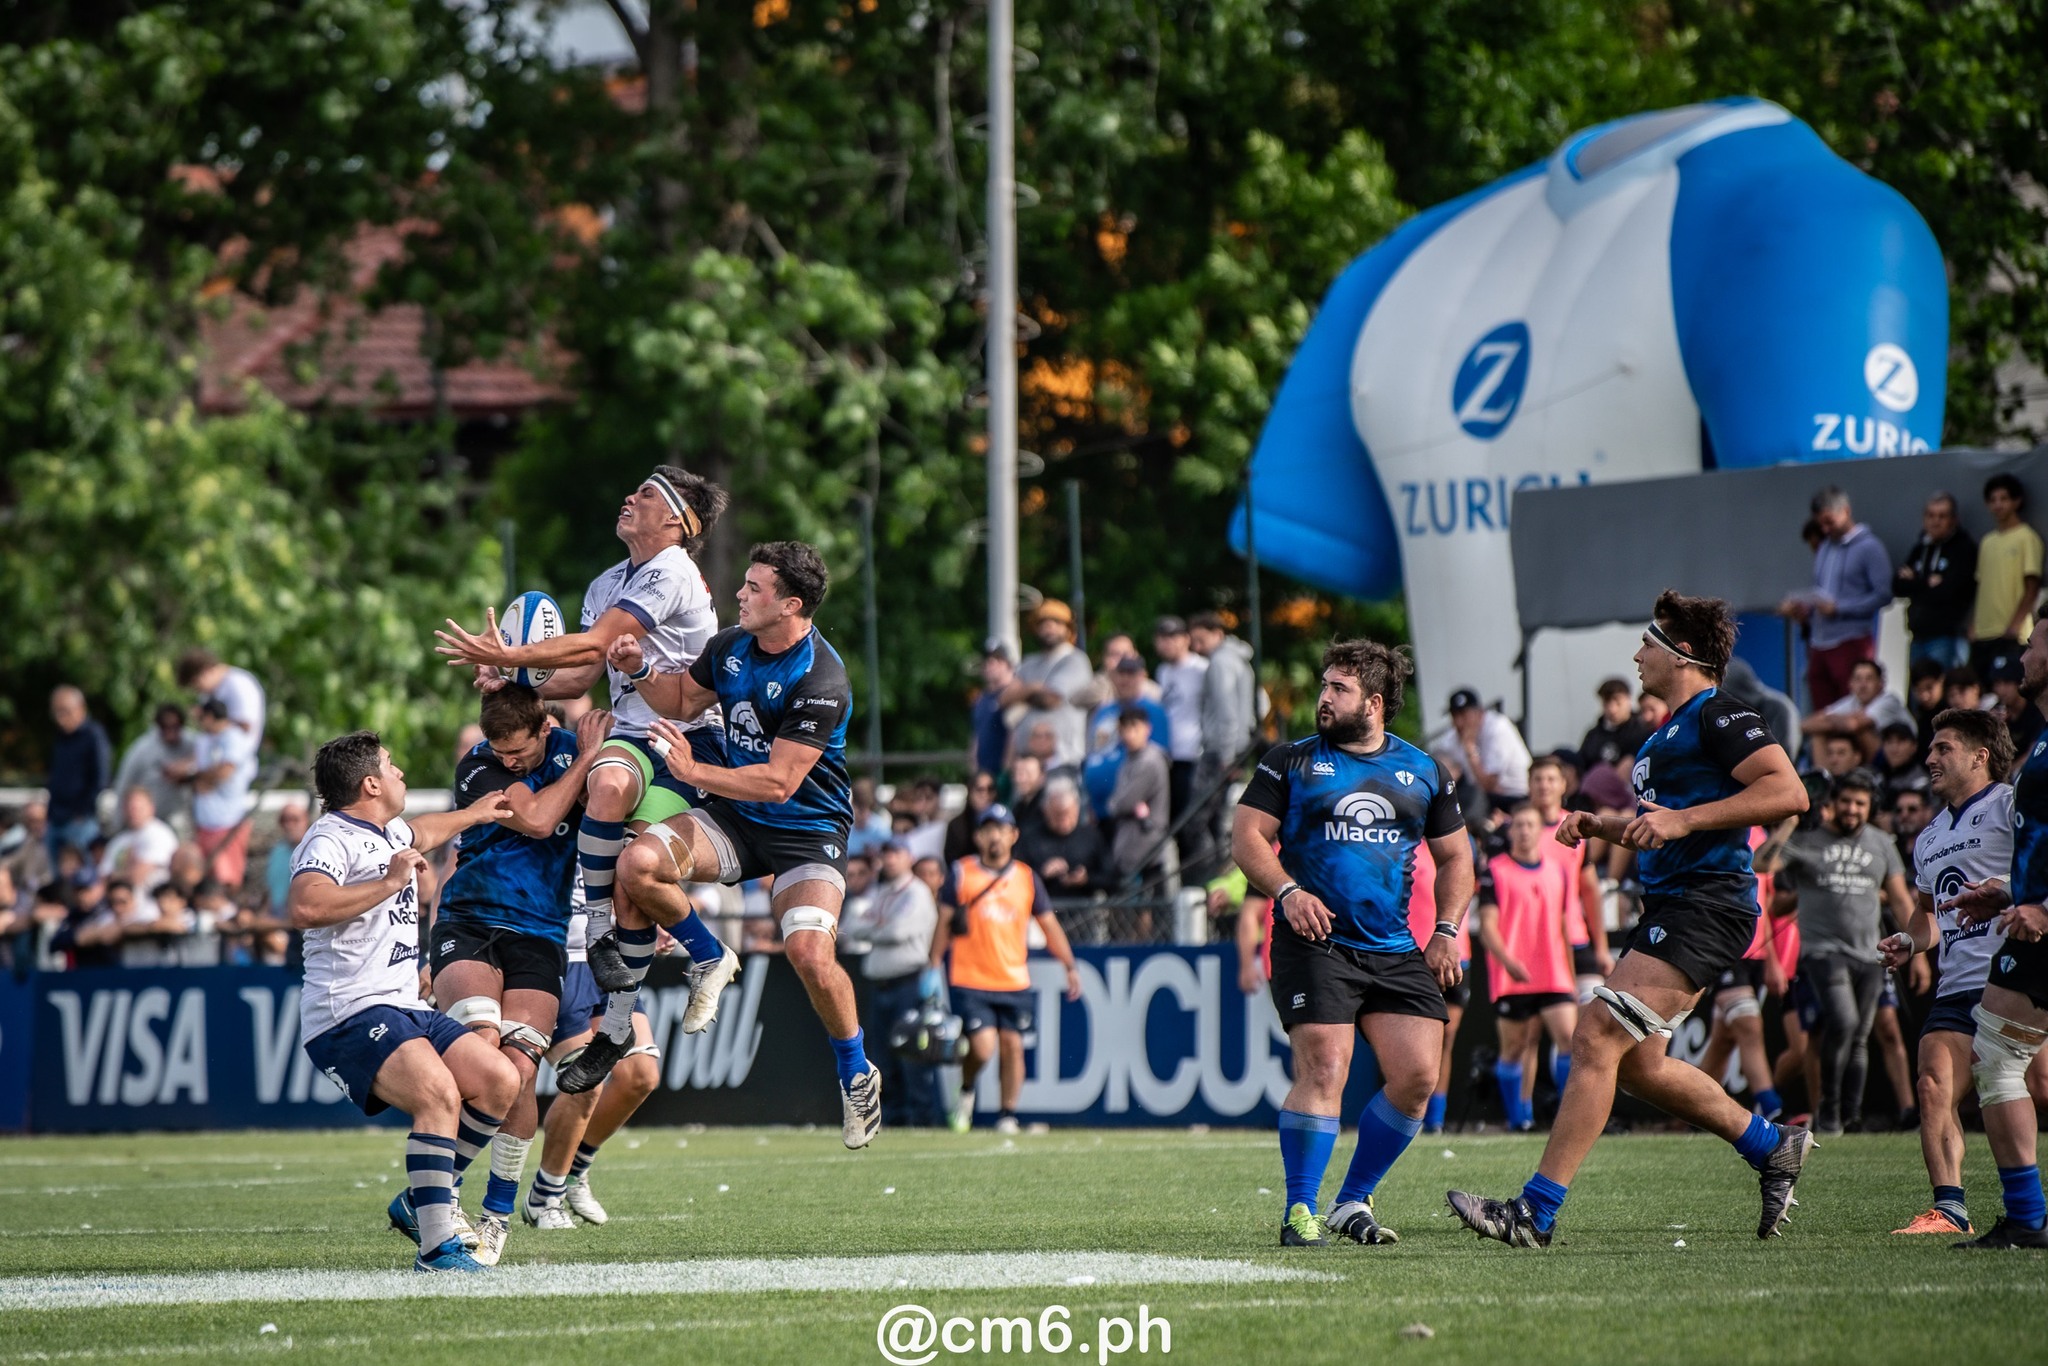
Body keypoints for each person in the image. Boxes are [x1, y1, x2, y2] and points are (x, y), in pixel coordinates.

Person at [1449, 589, 1811, 1249]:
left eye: (1648, 641)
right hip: (1676, 903)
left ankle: (1534, 1212)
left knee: (1591, 1038)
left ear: (1686, 654)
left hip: (1707, 902)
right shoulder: (1669, 729)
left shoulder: (1719, 713)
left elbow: (1789, 791)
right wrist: (1603, 826)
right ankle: (1772, 1146)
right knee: (1638, 1066)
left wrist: (1682, 819)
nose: (1638, 652)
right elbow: (1660, 828)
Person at [596, 541, 883, 1148]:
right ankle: (709, 954)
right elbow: (680, 700)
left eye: (755, 588)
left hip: (807, 833)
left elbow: (780, 784)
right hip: (738, 817)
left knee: (807, 953)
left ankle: (854, 1071)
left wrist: (695, 774)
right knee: (638, 864)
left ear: (791, 605)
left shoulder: (820, 677)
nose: (740, 595)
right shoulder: (731, 645)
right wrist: (641, 669)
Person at [435, 467, 739, 1036]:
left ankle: (653, 968)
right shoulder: (607, 583)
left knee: (630, 865)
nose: (629, 495)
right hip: (631, 735)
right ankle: (629, 1009)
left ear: (676, 520)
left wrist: (511, 657)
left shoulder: (672, 571)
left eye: (646, 493)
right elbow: (578, 679)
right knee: (614, 822)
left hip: (687, 738)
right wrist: (518, 684)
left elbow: (598, 642)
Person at [1233, 638, 1474, 1248]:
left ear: (1373, 702)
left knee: (1419, 1076)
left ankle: (1352, 1200)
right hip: (1314, 941)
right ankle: (1299, 1211)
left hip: (1394, 946)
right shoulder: (1288, 761)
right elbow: (1246, 839)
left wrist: (1446, 930)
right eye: (1323, 685)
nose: (1323, 697)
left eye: (1337, 689)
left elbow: (1457, 859)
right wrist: (1288, 893)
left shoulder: (1422, 769)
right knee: (1325, 1069)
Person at [287, 730, 520, 1273]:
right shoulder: (329, 838)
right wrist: (391, 883)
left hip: (401, 1004)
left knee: (499, 1081)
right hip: (346, 1011)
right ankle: (439, 1248)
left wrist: (477, 813)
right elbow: (305, 906)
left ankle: (422, 1198)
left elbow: (424, 831)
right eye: (391, 766)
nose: (400, 774)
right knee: (438, 1094)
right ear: (370, 783)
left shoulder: (387, 830)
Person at [427, 687, 612, 1264]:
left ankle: (497, 1215)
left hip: (540, 933)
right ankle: (440, 1194)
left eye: (519, 751)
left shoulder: (571, 746)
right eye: (499, 750)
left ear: (544, 727)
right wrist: (585, 760)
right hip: (470, 921)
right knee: (483, 1052)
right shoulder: (479, 763)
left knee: (520, 1068)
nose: (508, 761)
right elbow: (534, 819)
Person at [1879, 708, 2014, 1235]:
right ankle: (1949, 1208)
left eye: (1943, 749)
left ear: (1980, 756)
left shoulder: (2011, 805)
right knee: (1933, 1082)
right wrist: (1909, 942)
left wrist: (2005, 888)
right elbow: (1929, 915)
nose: (1930, 758)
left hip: (2016, 976)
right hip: (1957, 985)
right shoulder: (1929, 836)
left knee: (2043, 1088)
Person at [1940, 618, 2048, 1248]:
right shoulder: (2041, 742)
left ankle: (2030, 1219)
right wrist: (2008, 894)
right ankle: (2028, 1220)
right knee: (1997, 1058)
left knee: (2000, 1060)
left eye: (2033, 645)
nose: (2022, 654)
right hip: (2030, 926)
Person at [1768, 769, 1913, 1134]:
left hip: (1869, 953)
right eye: (1846, 801)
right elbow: (1761, 864)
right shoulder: (1808, 838)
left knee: (1861, 1036)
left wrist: (1919, 950)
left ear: (1870, 807)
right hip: (1822, 952)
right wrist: (1789, 823)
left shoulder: (1882, 843)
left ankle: (1850, 1117)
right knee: (1844, 1022)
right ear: (1833, 802)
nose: (1852, 809)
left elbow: (1899, 899)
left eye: (1860, 803)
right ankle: (1829, 1113)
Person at [931, 805, 1082, 1132]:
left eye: (1001, 829)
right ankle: (968, 1088)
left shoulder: (1027, 878)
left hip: (1013, 978)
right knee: (983, 1047)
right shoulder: (961, 872)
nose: (994, 836)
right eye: (988, 829)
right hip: (970, 977)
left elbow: (1049, 925)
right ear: (978, 837)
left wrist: (1069, 964)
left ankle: (1007, 1115)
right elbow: (943, 923)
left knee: (1013, 1047)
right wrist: (932, 967)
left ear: (1013, 836)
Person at [524, 892, 663, 1232]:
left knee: (640, 1076)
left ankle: (574, 1170)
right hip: (557, 957)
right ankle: (545, 1196)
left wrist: (651, 919)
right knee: (585, 1081)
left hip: (607, 957)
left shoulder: (614, 836)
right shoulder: (539, 834)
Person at [1477, 807, 1579, 1132]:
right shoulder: (1496, 870)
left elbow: (1564, 926)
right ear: (1510, 832)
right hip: (1513, 976)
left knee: (1568, 1038)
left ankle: (1568, 1119)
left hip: (1553, 971)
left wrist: (1571, 975)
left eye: (1529, 824)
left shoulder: (1557, 870)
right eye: (1518, 824)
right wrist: (1507, 961)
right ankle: (1518, 1119)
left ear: (1539, 831)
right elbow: (1488, 925)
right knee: (1515, 1048)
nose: (1523, 830)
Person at [848, 838, 945, 1128]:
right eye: (886, 854)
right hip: (882, 985)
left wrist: (875, 928)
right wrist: (879, 928)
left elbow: (899, 932)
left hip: (908, 983)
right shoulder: (882, 892)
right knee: (883, 1059)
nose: (889, 860)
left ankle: (921, 1120)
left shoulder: (916, 892)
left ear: (908, 857)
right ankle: (894, 1119)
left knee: (912, 1056)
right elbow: (852, 927)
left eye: (895, 854)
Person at [1779, 486, 1892, 710]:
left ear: (1846, 511)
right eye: (1821, 523)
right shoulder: (1824, 548)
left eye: (1829, 521)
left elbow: (1883, 595)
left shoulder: (1870, 547)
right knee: (1823, 714)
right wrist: (1805, 610)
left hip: (1851, 640)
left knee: (1851, 710)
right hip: (1819, 642)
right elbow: (1821, 591)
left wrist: (1840, 608)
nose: (1825, 528)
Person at [1526, 755, 1611, 996]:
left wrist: (1602, 948)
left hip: (1575, 937)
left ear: (1564, 784)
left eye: (1551, 779)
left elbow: (1590, 890)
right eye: (1538, 779)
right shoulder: (1515, 830)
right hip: (1531, 944)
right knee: (1531, 1032)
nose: (1544, 785)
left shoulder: (1575, 828)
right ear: (1529, 785)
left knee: (1590, 1013)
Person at [1969, 473, 2044, 680]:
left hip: (2011, 633)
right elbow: (1982, 585)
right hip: (1983, 633)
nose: (1998, 505)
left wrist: (2016, 623)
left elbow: (2032, 585)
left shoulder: (2027, 537)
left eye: (2003, 499)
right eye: (1993, 500)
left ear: (2016, 501)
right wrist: (1974, 625)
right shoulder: (1987, 542)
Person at [1003, 600, 1092, 769]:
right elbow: (1004, 698)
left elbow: (1051, 699)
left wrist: (1023, 694)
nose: (1049, 628)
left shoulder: (1075, 660)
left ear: (1068, 629)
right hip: (1025, 763)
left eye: (1057, 623)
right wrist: (1033, 688)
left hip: (1063, 759)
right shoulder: (1029, 662)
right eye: (1043, 623)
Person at [1895, 491, 1977, 669]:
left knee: (1946, 691)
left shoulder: (1963, 548)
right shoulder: (1921, 547)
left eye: (1942, 516)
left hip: (1947, 636)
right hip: (1917, 635)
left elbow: (1948, 591)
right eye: (1931, 515)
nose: (1935, 521)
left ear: (1954, 519)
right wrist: (1925, 582)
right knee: (1918, 694)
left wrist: (1915, 581)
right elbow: (1897, 585)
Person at [1153, 616, 1210, 869]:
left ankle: (1200, 879)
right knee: (1173, 824)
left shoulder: (1202, 668)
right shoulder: (1163, 672)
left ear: (1185, 639)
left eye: (1173, 637)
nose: (1167, 644)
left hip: (1195, 753)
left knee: (1192, 823)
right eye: (1162, 639)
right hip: (1168, 756)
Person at [190, 698, 258, 887]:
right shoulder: (207, 739)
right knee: (208, 879)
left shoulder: (233, 738)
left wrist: (201, 777)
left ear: (209, 717)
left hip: (228, 820)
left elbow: (225, 771)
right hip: (207, 820)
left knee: (226, 879)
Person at [1106, 707, 1172, 892]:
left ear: (1147, 728)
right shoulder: (1128, 758)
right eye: (1124, 729)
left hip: (1148, 848)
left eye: (1134, 727)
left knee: (1146, 907)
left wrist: (1115, 805)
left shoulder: (1150, 761)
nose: (1129, 734)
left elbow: (1123, 803)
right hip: (1131, 845)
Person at [44, 687, 110, 870]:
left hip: (80, 820)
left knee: (81, 875)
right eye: (56, 712)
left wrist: (82, 812)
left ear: (81, 708)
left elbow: (100, 778)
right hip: (56, 818)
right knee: (58, 879)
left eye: (65, 711)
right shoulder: (61, 738)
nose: (60, 717)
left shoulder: (93, 736)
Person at [1017, 778, 1109, 901]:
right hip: (1044, 906)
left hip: (1084, 908)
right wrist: (1042, 873)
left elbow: (1111, 877)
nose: (1064, 820)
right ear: (1045, 810)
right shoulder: (1030, 837)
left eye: (1068, 813)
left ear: (1076, 808)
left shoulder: (1091, 835)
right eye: (1057, 815)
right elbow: (1016, 876)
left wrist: (1086, 879)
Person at [1803, 659, 1913, 759]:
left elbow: (1852, 725)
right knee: (1818, 733)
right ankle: (1823, 777)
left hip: (1905, 757)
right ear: (1851, 684)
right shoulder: (1852, 701)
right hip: (1875, 755)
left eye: (1869, 679)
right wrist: (1841, 721)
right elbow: (1806, 724)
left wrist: (1830, 720)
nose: (1863, 685)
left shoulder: (1889, 700)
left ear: (1880, 684)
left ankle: (1873, 775)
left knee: (1862, 730)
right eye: (1858, 679)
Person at [113, 704, 200, 831]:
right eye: (166, 727)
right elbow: (124, 784)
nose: (171, 732)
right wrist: (118, 823)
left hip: (181, 815)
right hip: (149, 819)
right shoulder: (143, 749)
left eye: (175, 727)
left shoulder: (193, 743)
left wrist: (184, 770)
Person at [1446, 688, 1531, 808]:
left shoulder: (1498, 727)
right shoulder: (1455, 735)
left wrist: (1470, 749)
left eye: (1464, 715)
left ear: (1480, 713)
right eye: (1455, 715)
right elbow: (1444, 767)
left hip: (1517, 796)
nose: (1459, 722)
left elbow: (1489, 784)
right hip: (1488, 798)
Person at [99, 787, 180, 913]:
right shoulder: (118, 841)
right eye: (130, 808)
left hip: (152, 907)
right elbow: (103, 879)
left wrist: (118, 874)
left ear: (151, 808)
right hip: (117, 909)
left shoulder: (159, 834)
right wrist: (128, 870)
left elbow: (137, 876)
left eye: (138, 808)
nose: (134, 812)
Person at [174, 648, 267, 750]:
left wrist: (210, 721)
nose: (198, 691)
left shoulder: (238, 684)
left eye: (196, 685)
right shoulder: (209, 693)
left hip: (235, 757)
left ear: (206, 671)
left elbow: (246, 726)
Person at [1086, 655, 1171, 756]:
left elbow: (1159, 755)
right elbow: (1092, 749)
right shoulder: (1103, 710)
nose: (1125, 679)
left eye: (1131, 674)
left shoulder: (1154, 711)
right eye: (1121, 673)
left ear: (1142, 676)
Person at [1578, 678, 1653, 771]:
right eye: (1607, 703)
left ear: (1628, 700)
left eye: (1618, 702)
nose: (1612, 709)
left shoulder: (1643, 732)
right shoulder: (1593, 736)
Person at [971, 644, 1019, 779]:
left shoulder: (1014, 695)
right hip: (983, 772)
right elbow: (976, 735)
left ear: (1009, 664)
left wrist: (1006, 769)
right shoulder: (981, 699)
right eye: (987, 661)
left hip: (1006, 772)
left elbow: (1014, 734)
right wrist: (974, 769)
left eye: (997, 660)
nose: (990, 665)